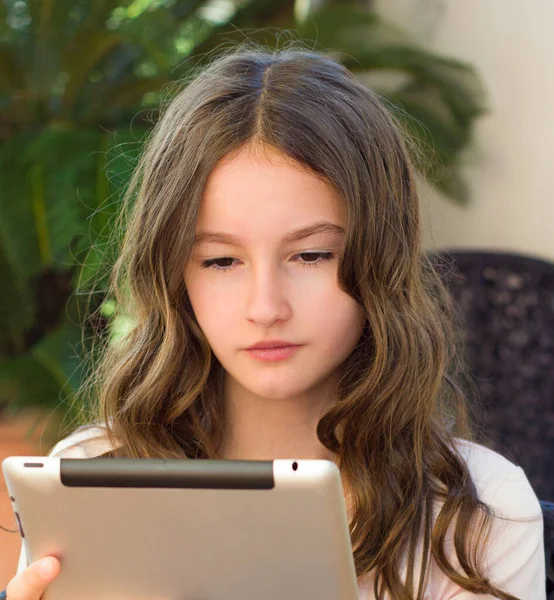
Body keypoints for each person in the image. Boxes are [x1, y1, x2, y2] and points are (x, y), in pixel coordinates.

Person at [3, 44, 545, 600]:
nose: (265, 307)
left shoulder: (482, 517)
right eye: (220, 261)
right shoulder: (90, 477)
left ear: (380, 256)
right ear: (174, 275)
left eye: (311, 255)